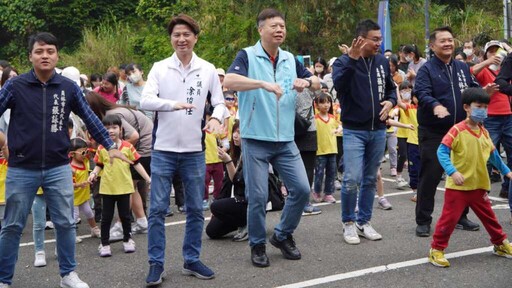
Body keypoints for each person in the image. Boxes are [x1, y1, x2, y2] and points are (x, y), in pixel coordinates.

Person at [0, 32, 130, 288]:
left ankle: (68, 274)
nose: (45, 55)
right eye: (39, 51)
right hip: (21, 167)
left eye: (50, 51)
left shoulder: (68, 88)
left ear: (57, 55)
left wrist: (108, 144)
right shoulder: (15, 86)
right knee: (12, 225)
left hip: (59, 166)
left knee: (65, 222)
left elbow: (90, 117)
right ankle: (4, 279)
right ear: (30, 56)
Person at [224, 8, 320, 268]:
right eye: (274, 26)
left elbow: (317, 83)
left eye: (282, 26)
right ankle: (257, 244)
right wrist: (262, 84)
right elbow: (229, 82)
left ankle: (282, 234)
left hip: (286, 140)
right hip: (255, 139)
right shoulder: (247, 55)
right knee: (257, 197)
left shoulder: (290, 58)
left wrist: (307, 83)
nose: (280, 30)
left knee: (301, 189)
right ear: (260, 29)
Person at [140, 14, 225, 285]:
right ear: (171, 38)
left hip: (194, 151)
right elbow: (146, 100)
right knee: (156, 209)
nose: (181, 39)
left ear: (195, 37)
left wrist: (215, 117)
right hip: (163, 150)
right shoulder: (160, 67)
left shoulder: (208, 69)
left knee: (196, 209)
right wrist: (172, 104)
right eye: (176, 35)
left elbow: (221, 103)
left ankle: (192, 259)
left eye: (186, 34)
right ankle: (156, 263)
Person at [413, 26, 498, 237]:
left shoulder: (462, 67)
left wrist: (483, 93)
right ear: (433, 46)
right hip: (434, 132)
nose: (448, 44)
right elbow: (421, 92)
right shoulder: (426, 69)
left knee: (463, 174)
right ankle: (423, 220)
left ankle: (461, 217)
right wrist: (435, 106)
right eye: (442, 41)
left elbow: (473, 89)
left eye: (450, 40)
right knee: (430, 176)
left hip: (461, 131)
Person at [428, 87, 512, 267]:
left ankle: (500, 244)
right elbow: (441, 151)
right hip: (458, 187)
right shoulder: (456, 130)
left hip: (479, 185)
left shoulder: (484, 132)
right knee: (449, 219)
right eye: (478, 106)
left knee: (489, 217)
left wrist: (506, 171)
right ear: (467, 107)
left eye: (485, 107)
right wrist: (452, 171)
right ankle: (437, 249)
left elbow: (493, 155)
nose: (482, 110)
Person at [332, 19, 397, 245]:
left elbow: (391, 89)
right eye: (375, 39)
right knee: (351, 179)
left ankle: (364, 221)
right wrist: (352, 58)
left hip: (378, 130)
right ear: (361, 39)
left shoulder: (381, 61)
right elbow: (339, 87)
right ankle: (348, 223)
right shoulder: (342, 62)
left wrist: (390, 102)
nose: (379, 43)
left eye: (380, 39)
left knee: (370, 179)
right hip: (353, 130)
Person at [88, 114, 150, 257]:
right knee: (106, 217)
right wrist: (93, 174)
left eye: (114, 127)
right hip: (107, 189)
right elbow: (99, 165)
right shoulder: (102, 148)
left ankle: (127, 240)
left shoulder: (128, 147)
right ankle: (104, 244)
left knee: (125, 216)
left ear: (121, 129)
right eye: (107, 128)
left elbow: (137, 164)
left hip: (125, 188)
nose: (111, 131)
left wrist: (147, 178)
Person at [490, 41, 512, 199]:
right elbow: (501, 82)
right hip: (492, 118)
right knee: (487, 154)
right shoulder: (509, 59)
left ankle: (506, 188)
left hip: (508, 116)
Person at [312, 92, 341, 204]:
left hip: (332, 150)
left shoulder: (332, 118)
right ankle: (317, 191)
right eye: (323, 102)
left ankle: (328, 193)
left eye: (328, 102)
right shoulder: (315, 119)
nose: (326, 105)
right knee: (319, 173)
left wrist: (338, 130)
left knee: (331, 173)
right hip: (320, 151)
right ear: (317, 105)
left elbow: (340, 126)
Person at [69, 138, 100, 239]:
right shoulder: (71, 168)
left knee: (89, 213)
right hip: (74, 198)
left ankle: (94, 229)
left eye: (86, 151)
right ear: (72, 154)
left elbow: (93, 150)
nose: (85, 154)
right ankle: (71, 235)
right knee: (74, 216)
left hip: (83, 196)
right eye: (83, 152)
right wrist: (79, 184)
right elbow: (68, 185)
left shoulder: (85, 161)